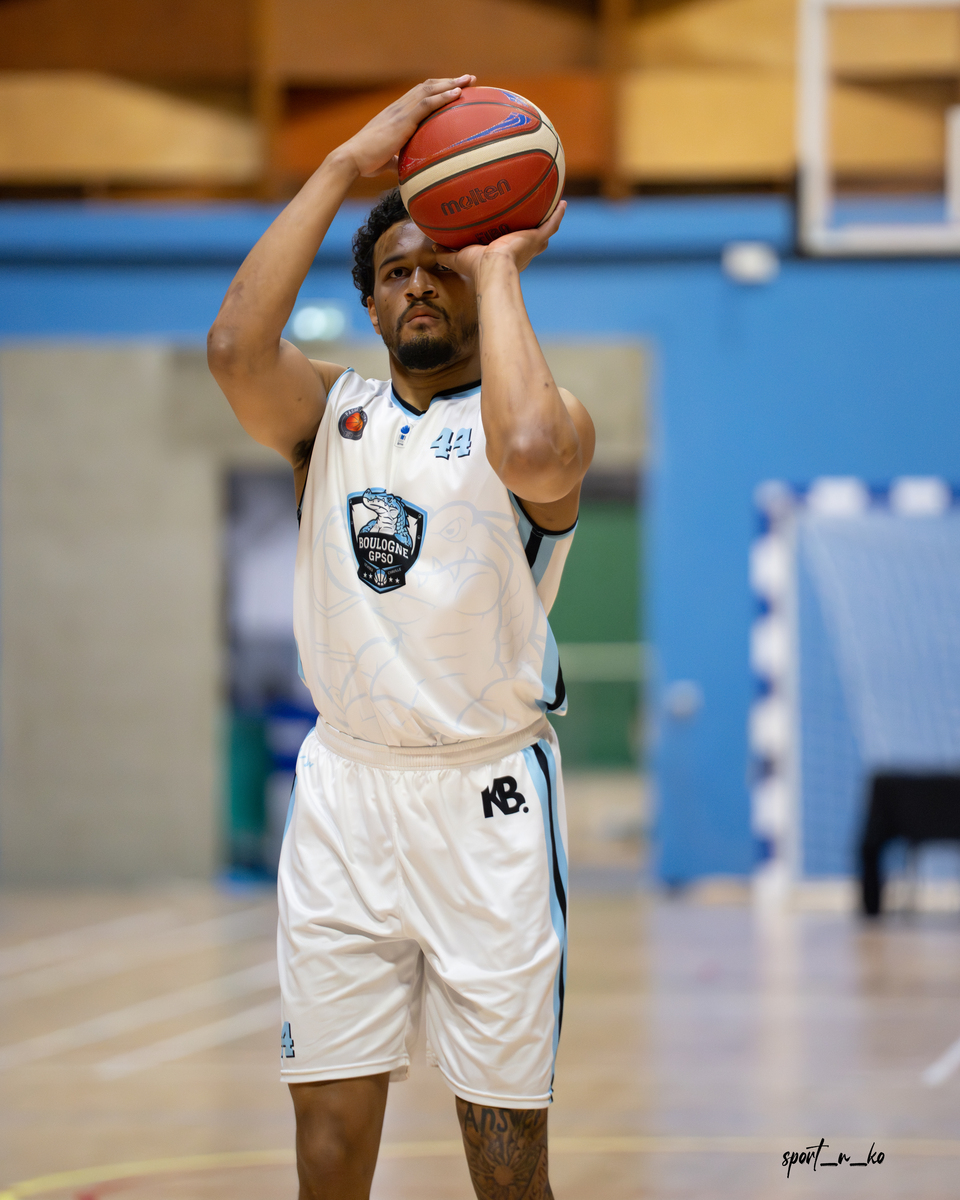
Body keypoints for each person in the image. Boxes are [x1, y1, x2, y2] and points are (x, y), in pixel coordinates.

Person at [208, 75, 594, 1200]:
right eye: (394, 273)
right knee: (327, 1157)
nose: (418, 283)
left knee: (506, 1171)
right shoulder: (328, 420)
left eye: (443, 265)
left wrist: (499, 261)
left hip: (488, 804)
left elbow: (531, 450)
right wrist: (341, 165)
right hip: (346, 796)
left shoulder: (549, 420)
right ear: (371, 308)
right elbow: (234, 347)